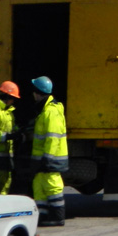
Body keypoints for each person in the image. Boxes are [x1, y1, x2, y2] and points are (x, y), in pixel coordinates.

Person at [30, 76, 68, 227]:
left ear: (38, 93)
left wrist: (48, 157)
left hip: (50, 158)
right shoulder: (45, 110)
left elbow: (53, 137)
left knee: (52, 185)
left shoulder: (51, 112)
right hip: (42, 159)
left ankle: (58, 216)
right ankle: (43, 216)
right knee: (39, 186)